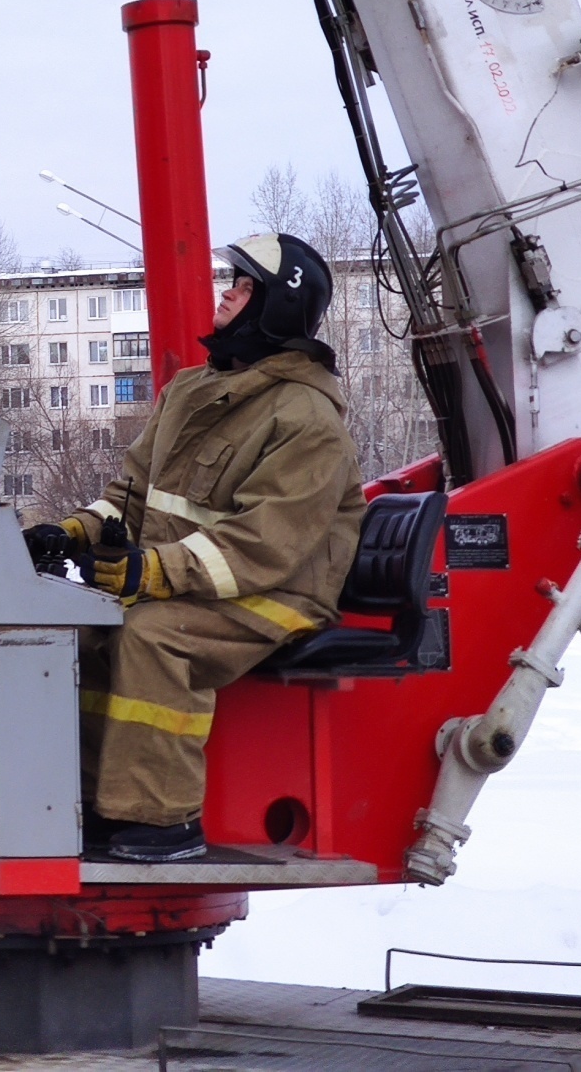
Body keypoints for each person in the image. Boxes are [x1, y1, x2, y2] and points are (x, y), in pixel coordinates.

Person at [24, 233, 366, 863]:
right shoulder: (190, 391)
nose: (226, 295)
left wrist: (150, 572)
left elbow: (262, 545)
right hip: (198, 583)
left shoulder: (308, 420)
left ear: (278, 309)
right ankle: (98, 804)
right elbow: (132, 494)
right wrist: (69, 531)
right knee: (86, 629)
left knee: (154, 635)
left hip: (277, 593)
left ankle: (161, 821)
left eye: (242, 288)